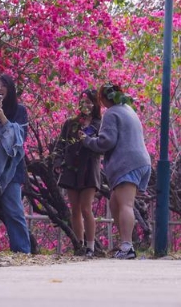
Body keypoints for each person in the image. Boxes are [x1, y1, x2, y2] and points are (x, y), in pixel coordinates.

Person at [82, 83, 151, 260]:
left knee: (126, 204)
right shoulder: (127, 109)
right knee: (114, 204)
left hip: (127, 164)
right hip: (139, 161)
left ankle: (127, 247)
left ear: (104, 99)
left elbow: (106, 142)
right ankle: (125, 245)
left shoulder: (112, 113)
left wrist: (87, 140)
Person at [0, 73, 32, 253]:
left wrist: (0, 115)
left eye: (3, 86)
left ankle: (22, 251)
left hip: (11, 169)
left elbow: (18, 138)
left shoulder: (20, 111)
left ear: (10, 89)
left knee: (14, 211)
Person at [53, 89, 102, 257]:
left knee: (86, 208)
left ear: (95, 104)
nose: (86, 105)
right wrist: (58, 162)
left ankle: (91, 247)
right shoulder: (70, 123)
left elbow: (102, 146)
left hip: (89, 169)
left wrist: (87, 140)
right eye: (83, 101)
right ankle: (78, 245)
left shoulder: (99, 124)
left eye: (89, 102)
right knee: (75, 209)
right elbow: (60, 145)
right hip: (71, 169)